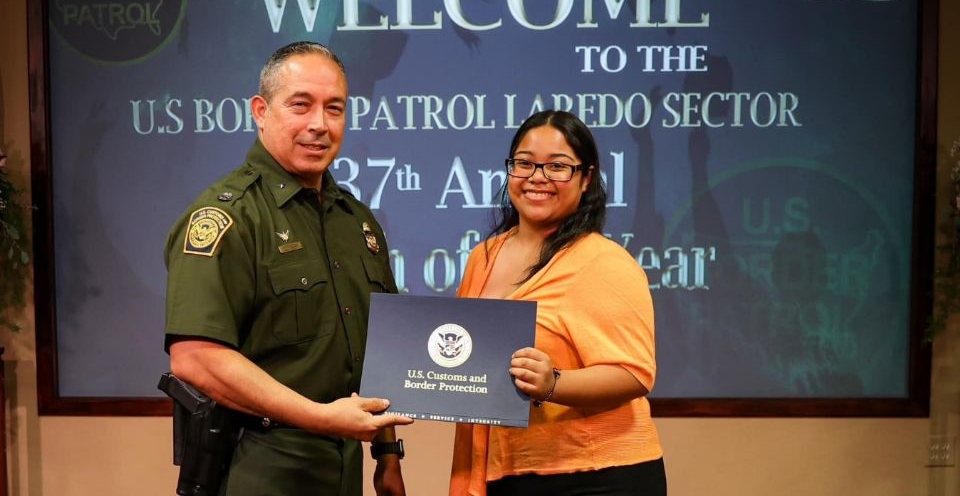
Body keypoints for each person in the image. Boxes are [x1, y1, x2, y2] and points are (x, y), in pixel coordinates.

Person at [164, 41, 413, 496]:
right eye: (301, 105)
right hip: (259, 465)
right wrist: (320, 417)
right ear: (261, 111)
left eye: (334, 108)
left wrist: (387, 454)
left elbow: (382, 351)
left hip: (345, 467)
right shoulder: (229, 217)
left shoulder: (356, 221)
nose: (319, 124)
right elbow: (195, 358)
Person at [449, 110, 666, 495]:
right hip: (509, 471)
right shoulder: (482, 257)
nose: (538, 177)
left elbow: (635, 373)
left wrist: (553, 383)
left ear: (586, 179)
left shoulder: (604, 262)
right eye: (525, 163)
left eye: (558, 167)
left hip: (597, 475)